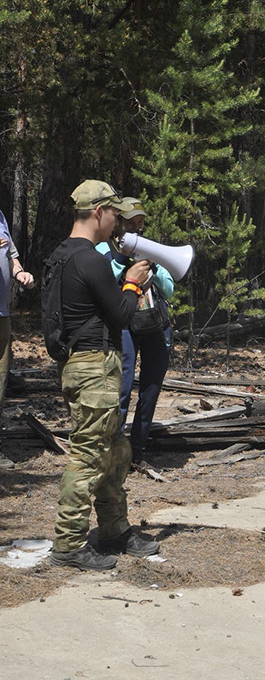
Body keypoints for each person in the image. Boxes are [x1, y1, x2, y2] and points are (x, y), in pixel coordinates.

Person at [47, 180, 161, 571]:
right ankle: (68, 543)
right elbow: (123, 314)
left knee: (116, 451)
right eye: (114, 213)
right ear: (99, 212)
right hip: (95, 368)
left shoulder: (62, 255)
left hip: (82, 365)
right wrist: (132, 283)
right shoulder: (90, 260)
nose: (118, 222)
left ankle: (114, 530)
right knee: (89, 456)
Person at [96, 198, 174, 472]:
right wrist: (123, 261)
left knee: (150, 391)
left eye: (141, 223)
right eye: (131, 223)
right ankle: (115, 451)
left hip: (154, 325)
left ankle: (138, 452)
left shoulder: (150, 249)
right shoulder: (103, 249)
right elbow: (103, 281)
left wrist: (153, 265)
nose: (138, 228)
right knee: (122, 389)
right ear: (118, 222)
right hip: (124, 326)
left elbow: (169, 288)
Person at [0, 211, 34, 469]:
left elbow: (10, 255)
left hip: (2, 313)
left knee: (0, 380)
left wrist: (20, 272)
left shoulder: (0, 217)